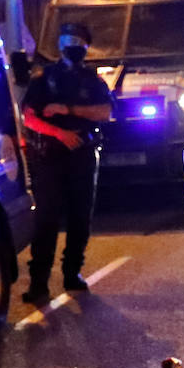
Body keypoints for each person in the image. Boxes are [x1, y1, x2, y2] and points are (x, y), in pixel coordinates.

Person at [19, 22, 113, 304]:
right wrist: (60, 133)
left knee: (80, 218)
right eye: (66, 40)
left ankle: (72, 273)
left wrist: (69, 110)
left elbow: (106, 112)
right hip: (49, 157)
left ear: (85, 46)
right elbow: (29, 117)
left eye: (77, 41)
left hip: (82, 156)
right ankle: (39, 282)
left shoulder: (93, 81)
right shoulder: (44, 79)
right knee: (46, 219)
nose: (71, 45)